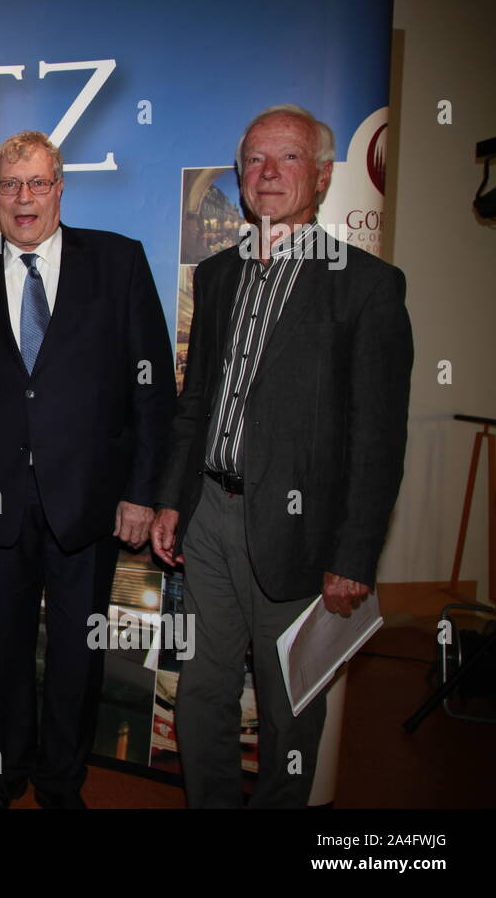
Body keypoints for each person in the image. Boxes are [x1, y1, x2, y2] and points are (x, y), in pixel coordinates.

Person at [150, 105, 412, 807]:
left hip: (300, 532)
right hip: (208, 518)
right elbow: (196, 399)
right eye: (255, 161)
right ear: (238, 177)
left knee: (289, 702)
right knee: (202, 687)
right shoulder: (216, 277)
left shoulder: (367, 287)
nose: (268, 174)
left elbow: (379, 436)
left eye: (288, 158)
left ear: (322, 176)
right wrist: (173, 497)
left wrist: (355, 554)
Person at [0, 130, 174, 809]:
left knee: (77, 654)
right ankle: (6, 772)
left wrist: (141, 493)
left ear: (62, 188)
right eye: (9, 185)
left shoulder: (119, 263)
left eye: (38, 182)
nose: (24, 198)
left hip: (90, 502)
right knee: (1, 652)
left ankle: (63, 781)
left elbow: (151, 390)